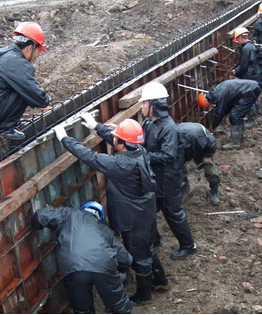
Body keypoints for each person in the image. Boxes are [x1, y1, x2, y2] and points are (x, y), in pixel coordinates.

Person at [52, 115, 168, 305]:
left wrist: (65, 138)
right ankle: (160, 280)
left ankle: (144, 294)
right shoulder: (140, 151)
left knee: (139, 256)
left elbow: (90, 157)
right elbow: (119, 140)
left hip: (133, 217)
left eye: (116, 137)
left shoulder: (120, 164)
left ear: (121, 144)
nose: (114, 138)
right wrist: (97, 126)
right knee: (146, 247)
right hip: (145, 210)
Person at [31, 202, 133, 314]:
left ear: (83, 209)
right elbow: (125, 259)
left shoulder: (68, 214)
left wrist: (34, 226)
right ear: (101, 217)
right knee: (119, 305)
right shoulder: (105, 230)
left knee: (82, 310)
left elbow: (41, 216)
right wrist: (121, 272)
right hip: (103, 264)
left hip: (73, 266)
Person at [139, 82, 197, 260]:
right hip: (156, 178)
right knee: (148, 210)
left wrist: (144, 157)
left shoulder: (168, 128)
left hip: (168, 179)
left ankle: (188, 245)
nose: (141, 107)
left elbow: (168, 156)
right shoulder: (150, 124)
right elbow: (140, 140)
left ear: (153, 105)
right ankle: (153, 239)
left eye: (143, 103)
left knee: (173, 213)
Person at [197, 79, 261, 150]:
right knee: (237, 114)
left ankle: (235, 143)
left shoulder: (219, 96)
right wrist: (225, 114)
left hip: (249, 91)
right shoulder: (217, 90)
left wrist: (213, 127)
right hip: (251, 88)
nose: (212, 105)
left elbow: (219, 113)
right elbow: (230, 103)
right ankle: (240, 135)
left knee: (235, 116)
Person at [177, 122, 220, 205]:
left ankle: (214, 191)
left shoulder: (201, 137)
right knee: (180, 172)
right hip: (183, 152)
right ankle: (184, 190)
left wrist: (207, 157)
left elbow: (212, 144)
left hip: (202, 148)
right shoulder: (173, 140)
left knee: (211, 173)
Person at [231, 27, 259, 128]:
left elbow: (244, 65)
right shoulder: (250, 46)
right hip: (253, 75)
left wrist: (236, 71)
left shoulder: (246, 48)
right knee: (252, 97)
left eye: (237, 40)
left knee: (249, 97)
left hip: (249, 76)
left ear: (240, 38)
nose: (237, 42)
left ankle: (252, 119)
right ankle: (252, 117)